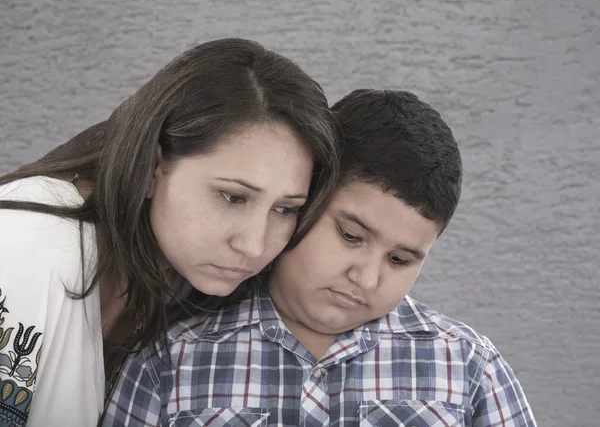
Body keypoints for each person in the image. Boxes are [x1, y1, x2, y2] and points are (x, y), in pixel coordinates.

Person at [104, 89, 537, 426]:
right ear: (304, 200)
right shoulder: (171, 362)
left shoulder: (467, 365)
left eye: (401, 260)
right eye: (350, 235)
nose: (366, 278)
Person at [0, 38, 341, 426]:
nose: (254, 244)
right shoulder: (29, 245)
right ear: (152, 166)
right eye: (232, 197)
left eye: (285, 209)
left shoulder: (179, 274)